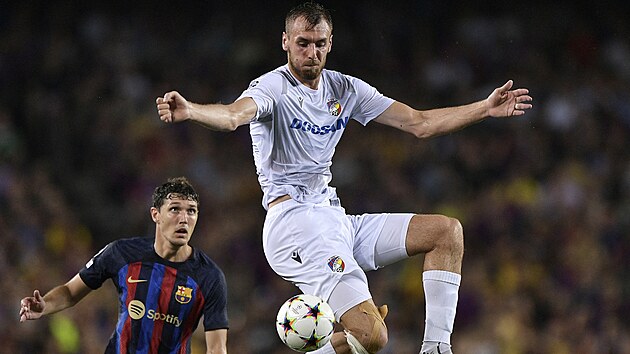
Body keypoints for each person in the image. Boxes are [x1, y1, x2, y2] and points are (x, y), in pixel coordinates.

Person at [155, 2, 532, 353]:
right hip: (294, 224)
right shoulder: (272, 88)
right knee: (373, 336)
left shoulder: (345, 89)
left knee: (446, 232)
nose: (311, 53)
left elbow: (419, 123)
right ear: (285, 42)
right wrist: (192, 110)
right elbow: (234, 116)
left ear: (330, 43)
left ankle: (435, 348)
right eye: (302, 43)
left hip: (333, 218)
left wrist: (483, 108)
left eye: (319, 44)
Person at [19, 177, 229, 354]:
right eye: (175, 209)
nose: (184, 219)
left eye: (191, 211)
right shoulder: (121, 253)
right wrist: (45, 305)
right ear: (155, 214)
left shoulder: (209, 276)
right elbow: (70, 292)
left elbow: (217, 348)